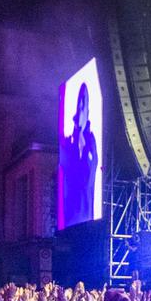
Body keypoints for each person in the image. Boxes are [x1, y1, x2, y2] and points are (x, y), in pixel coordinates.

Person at [60, 82, 99, 227]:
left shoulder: (91, 143)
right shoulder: (68, 144)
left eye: (82, 106)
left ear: (87, 111)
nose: (78, 112)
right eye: (77, 107)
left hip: (83, 218)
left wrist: (81, 136)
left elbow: (87, 174)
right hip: (69, 218)